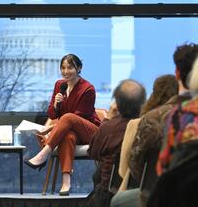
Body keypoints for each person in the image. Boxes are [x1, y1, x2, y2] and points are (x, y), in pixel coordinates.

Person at [110, 43, 198, 207]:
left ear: (177, 73)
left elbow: (145, 168)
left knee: (118, 202)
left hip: (175, 195)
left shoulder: (175, 116)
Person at [24, 54, 101, 196]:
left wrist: (50, 128)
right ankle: (66, 182)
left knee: (68, 117)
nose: (66, 71)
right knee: (68, 136)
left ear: (79, 68)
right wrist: (56, 104)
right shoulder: (60, 85)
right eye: (63, 68)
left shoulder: (88, 89)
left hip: (90, 131)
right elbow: (52, 115)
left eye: (70, 67)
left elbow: (78, 117)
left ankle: (44, 153)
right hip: (71, 131)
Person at [86, 79, 146, 207]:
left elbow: (92, 153)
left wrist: (107, 119)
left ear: (117, 103)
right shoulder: (148, 128)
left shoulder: (108, 128)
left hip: (108, 195)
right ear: (142, 103)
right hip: (140, 195)